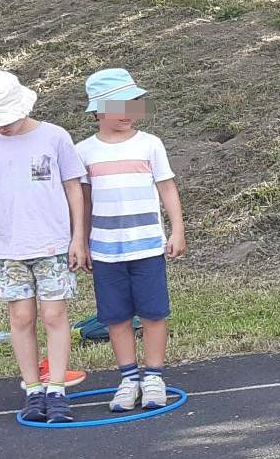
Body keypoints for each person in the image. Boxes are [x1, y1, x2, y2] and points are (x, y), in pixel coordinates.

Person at [0, 69, 91, 425]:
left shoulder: (54, 137)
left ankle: (56, 389)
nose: (1, 127)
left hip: (51, 242)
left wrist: (77, 236)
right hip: (9, 246)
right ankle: (33, 389)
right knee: (20, 317)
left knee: (54, 315)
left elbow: (73, 189)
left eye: (5, 119)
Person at [75, 69, 185, 412]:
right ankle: (128, 378)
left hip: (147, 245)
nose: (128, 111)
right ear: (97, 111)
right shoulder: (83, 151)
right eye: (118, 104)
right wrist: (80, 240)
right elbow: (83, 200)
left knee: (154, 313)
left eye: (134, 102)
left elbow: (166, 187)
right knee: (116, 317)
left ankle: (154, 375)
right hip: (105, 249)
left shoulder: (150, 144)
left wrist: (177, 229)